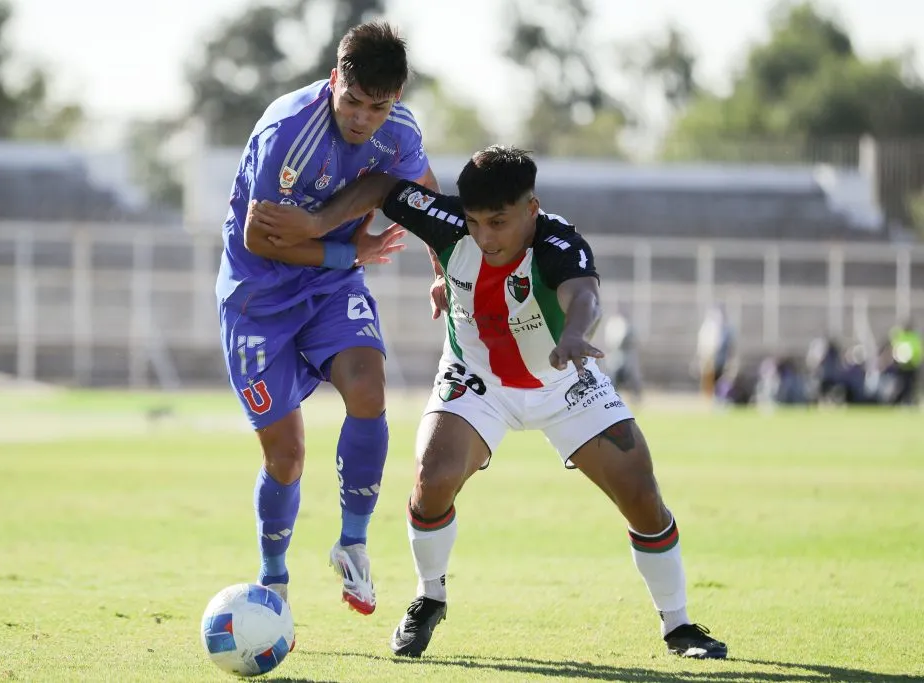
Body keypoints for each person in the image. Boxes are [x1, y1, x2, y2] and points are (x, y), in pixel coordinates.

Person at [249, 146, 728, 660]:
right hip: (475, 378)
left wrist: (573, 335)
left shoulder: (559, 240)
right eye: (474, 222)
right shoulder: (448, 220)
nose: (484, 236)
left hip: (563, 380)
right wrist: (319, 221)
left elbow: (584, 293)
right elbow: (381, 186)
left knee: (640, 492)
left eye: (498, 222)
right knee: (432, 479)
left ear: (531, 208)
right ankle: (429, 597)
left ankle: (679, 626)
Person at [216, 20, 445, 616]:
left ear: (393, 99)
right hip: (257, 301)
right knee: (286, 455)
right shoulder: (287, 133)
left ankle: (353, 544)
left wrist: (443, 266)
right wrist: (353, 250)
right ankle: (273, 579)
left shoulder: (398, 131)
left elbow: (420, 189)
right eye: (352, 102)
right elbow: (261, 240)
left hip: (330, 287)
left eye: (377, 106)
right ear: (334, 78)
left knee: (369, 388)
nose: (362, 118)